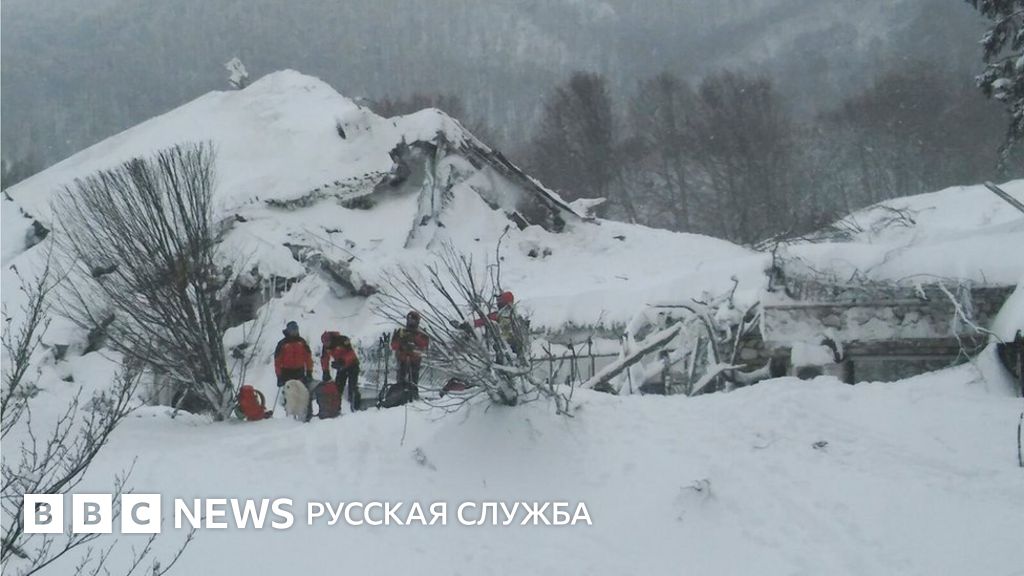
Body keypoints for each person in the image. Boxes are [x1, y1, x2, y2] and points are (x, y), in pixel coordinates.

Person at [391, 311, 429, 396]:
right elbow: (394, 345)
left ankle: (413, 395)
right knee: (401, 379)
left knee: (413, 380)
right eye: (410, 320)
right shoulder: (401, 332)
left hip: (414, 360)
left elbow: (424, 345)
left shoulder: (421, 334)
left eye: (413, 320)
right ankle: (400, 395)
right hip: (402, 359)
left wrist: (414, 342)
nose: (411, 322)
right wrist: (401, 342)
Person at [320, 331, 361, 412]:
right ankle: (335, 409)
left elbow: (350, 354)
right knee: (337, 388)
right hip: (341, 367)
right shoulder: (325, 347)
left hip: (352, 365)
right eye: (324, 343)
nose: (326, 344)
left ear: (331, 339)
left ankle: (356, 408)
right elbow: (324, 359)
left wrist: (342, 361)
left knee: (352, 387)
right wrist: (325, 371)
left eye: (327, 342)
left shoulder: (342, 340)